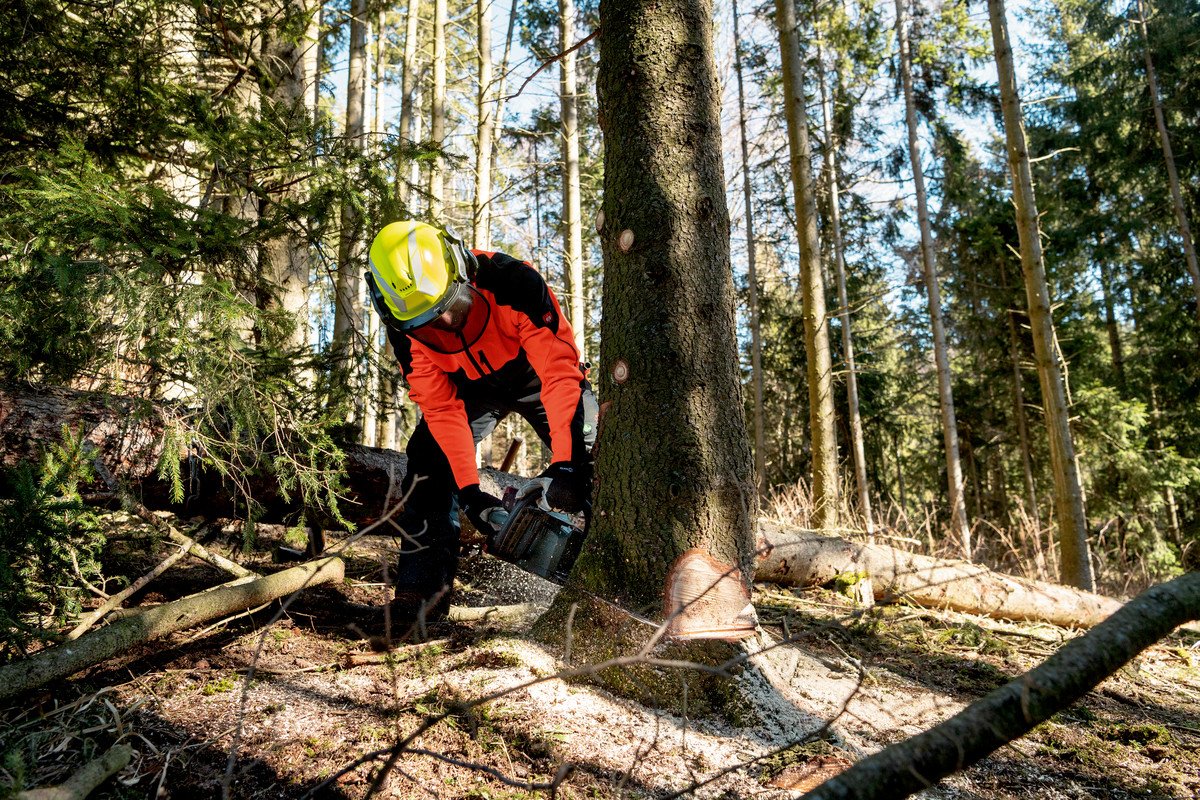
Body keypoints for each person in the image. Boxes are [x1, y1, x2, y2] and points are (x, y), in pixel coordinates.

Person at [365, 220, 598, 621]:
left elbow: (559, 374)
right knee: (426, 462)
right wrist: (470, 492)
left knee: (595, 452)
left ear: (464, 270)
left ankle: (611, 581)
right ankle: (419, 602)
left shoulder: (513, 281)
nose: (447, 326)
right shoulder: (402, 329)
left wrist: (568, 463)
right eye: (428, 326)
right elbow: (440, 408)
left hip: (534, 372)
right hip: (468, 386)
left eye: (453, 309)